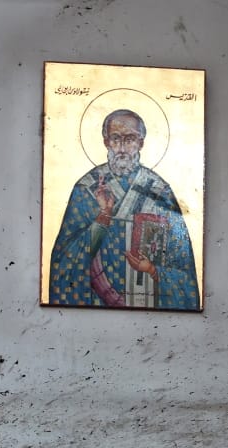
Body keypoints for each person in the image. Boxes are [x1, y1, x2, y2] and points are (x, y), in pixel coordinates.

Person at [47, 110, 199, 310]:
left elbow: (182, 268)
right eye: (116, 138)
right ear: (106, 142)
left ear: (141, 143)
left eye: (129, 139)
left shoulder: (159, 191)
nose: (121, 147)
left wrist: (153, 270)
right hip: (95, 304)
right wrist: (104, 216)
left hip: (148, 307)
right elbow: (64, 260)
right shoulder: (86, 188)